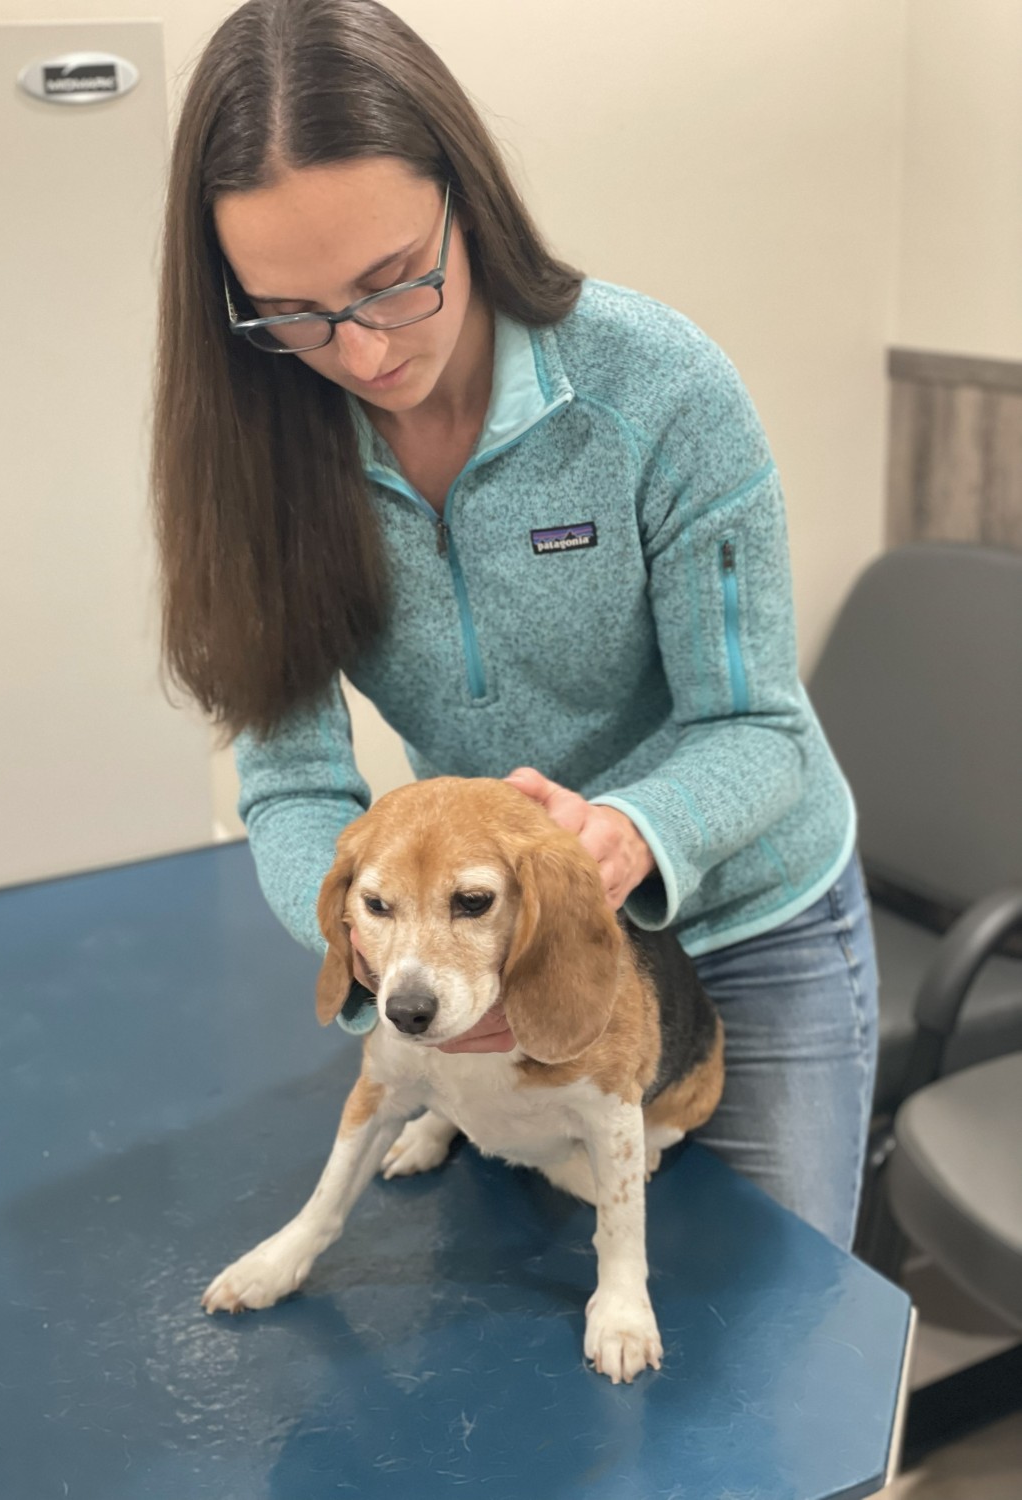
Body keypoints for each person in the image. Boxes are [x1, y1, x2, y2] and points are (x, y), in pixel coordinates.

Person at [152, 0, 879, 1252]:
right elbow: (292, 789)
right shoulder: (258, 459)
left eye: (394, 280)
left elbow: (756, 724)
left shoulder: (658, 391)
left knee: (772, 1329)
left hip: (750, 924)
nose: (365, 350)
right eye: (295, 311)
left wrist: (630, 835)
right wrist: (385, 949)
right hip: (495, 934)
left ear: (466, 198)